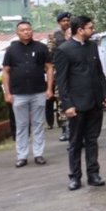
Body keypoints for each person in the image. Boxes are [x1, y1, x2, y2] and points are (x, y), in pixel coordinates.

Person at [53, 14, 106, 190]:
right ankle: (75, 176)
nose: (93, 30)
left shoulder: (92, 47)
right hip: (76, 105)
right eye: (90, 28)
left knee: (92, 139)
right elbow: (61, 81)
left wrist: (105, 95)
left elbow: (99, 73)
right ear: (80, 30)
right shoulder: (64, 50)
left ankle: (93, 174)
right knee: (75, 142)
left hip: (94, 102)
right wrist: (67, 105)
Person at [1, 19, 54, 167]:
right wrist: (7, 93)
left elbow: (49, 68)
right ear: (17, 33)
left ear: (32, 31)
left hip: (38, 92)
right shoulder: (11, 50)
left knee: (38, 124)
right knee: (22, 125)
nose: (26, 32)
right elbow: (5, 72)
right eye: (23, 30)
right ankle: (22, 156)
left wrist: (49, 88)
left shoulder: (41, 48)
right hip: (18, 93)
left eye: (28, 29)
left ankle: (38, 154)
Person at [48, 11, 71, 140]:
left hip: (74, 72)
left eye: (68, 20)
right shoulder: (54, 36)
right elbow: (50, 53)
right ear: (59, 22)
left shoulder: (75, 33)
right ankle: (64, 129)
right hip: (60, 72)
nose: (66, 23)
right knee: (61, 100)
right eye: (63, 21)